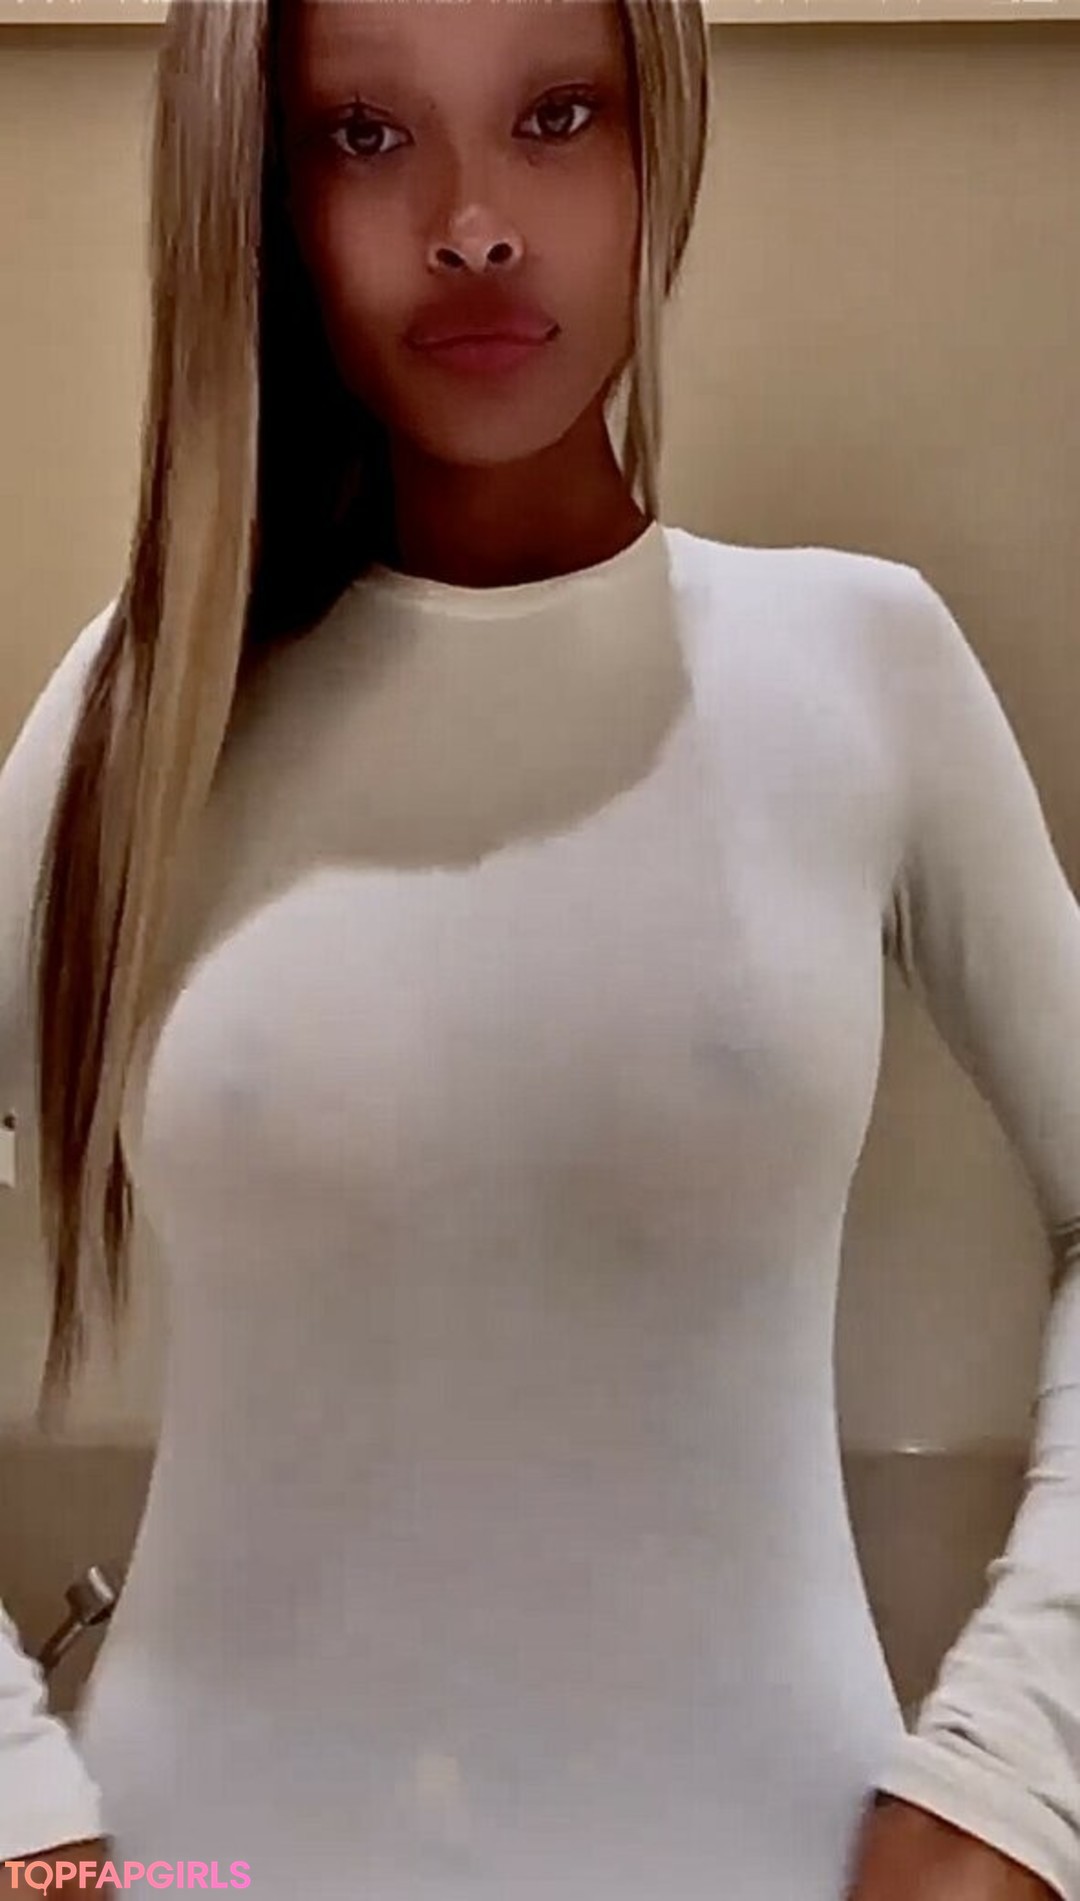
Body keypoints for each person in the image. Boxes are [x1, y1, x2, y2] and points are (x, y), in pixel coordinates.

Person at [0, 0, 1077, 1895]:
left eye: (559, 116)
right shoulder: (142, 713)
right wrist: (25, 1820)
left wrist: (1014, 1774)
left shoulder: (861, 667)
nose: (478, 223)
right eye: (366, 136)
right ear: (258, 188)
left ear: (664, 137)